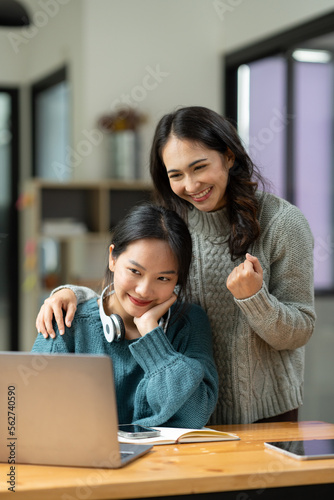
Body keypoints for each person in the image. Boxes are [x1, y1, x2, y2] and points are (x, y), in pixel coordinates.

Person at [36, 106, 316, 425]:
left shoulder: (282, 224)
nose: (191, 185)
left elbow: (300, 331)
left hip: (263, 412)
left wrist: (256, 300)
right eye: (176, 175)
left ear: (228, 156)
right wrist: (72, 293)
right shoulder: (174, 224)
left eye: (199, 167)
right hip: (182, 408)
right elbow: (138, 289)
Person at [32, 203, 219, 428]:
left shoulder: (189, 323)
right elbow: (34, 415)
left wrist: (153, 339)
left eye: (163, 279)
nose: (143, 290)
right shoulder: (67, 320)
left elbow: (194, 416)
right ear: (113, 259)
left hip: (167, 462)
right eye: (135, 272)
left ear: (177, 280)